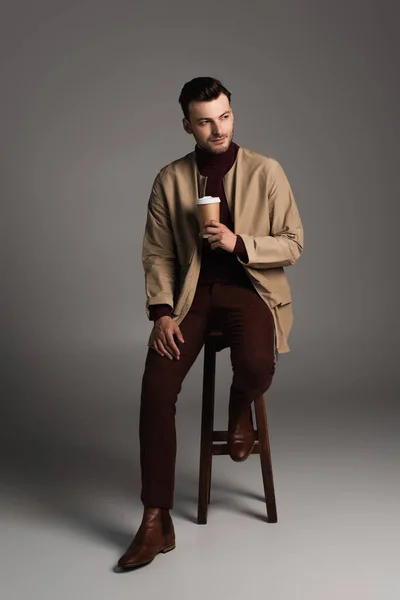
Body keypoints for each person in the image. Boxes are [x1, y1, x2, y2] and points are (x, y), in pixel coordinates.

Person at [117, 77, 304, 570]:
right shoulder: (170, 179)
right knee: (156, 389)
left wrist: (239, 243)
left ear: (232, 116)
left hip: (249, 290)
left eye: (223, 116)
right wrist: (160, 312)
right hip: (190, 296)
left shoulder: (267, 171)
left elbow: (293, 242)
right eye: (204, 120)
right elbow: (157, 253)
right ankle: (156, 519)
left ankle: (238, 410)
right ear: (188, 126)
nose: (216, 128)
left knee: (258, 365)